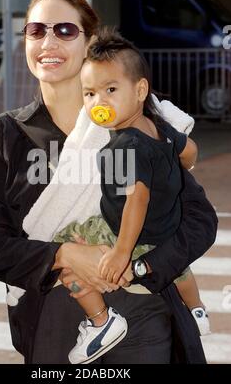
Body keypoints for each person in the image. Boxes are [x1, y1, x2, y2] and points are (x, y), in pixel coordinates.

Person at [0, 0, 217, 364]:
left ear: (88, 40)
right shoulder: (6, 135)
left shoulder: (137, 120)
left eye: (65, 30)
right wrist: (66, 254)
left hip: (145, 313)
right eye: (36, 30)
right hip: (54, 319)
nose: (48, 41)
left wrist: (136, 266)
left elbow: (199, 220)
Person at [50, 28, 210, 364]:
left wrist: (121, 252)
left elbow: (136, 198)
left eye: (110, 90)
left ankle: (101, 322)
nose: (99, 103)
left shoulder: (124, 146)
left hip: (130, 235)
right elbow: (190, 152)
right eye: (90, 94)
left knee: (61, 246)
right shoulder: (158, 128)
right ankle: (196, 310)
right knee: (180, 269)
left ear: (140, 90)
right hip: (165, 229)